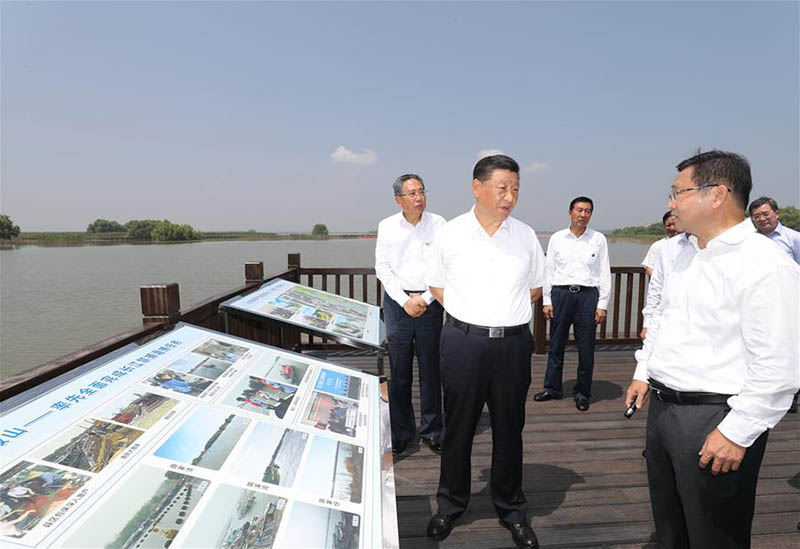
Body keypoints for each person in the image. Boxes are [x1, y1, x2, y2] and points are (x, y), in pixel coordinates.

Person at [625, 150, 800, 548]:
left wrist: (737, 434)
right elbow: (664, 322)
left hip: (715, 420)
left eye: (678, 192)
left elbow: (781, 365)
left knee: (714, 535)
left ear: (717, 194)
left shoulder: (765, 264)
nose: (671, 204)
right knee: (671, 531)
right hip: (664, 412)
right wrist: (642, 371)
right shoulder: (684, 254)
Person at [424, 154, 545, 548]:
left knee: (510, 429)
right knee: (458, 427)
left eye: (516, 189)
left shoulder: (525, 235)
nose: (510, 196)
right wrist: (474, 314)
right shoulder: (450, 233)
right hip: (464, 343)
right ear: (477, 188)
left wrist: (502, 312)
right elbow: (437, 287)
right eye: (502, 188)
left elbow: (536, 286)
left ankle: (511, 507)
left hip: (512, 344)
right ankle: (450, 504)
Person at [375, 174, 446, 455]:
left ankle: (433, 430)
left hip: (431, 301)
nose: (418, 198)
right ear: (398, 200)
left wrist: (425, 299)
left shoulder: (439, 224)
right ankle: (402, 431)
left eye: (421, 192)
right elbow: (383, 268)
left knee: (431, 369)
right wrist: (405, 300)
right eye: (412, 193)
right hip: (397, 303)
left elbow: (444, 265)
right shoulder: (387, 226)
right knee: (399, 370)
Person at [534, 197, 611, 411]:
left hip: (587, 297)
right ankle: (552, 388)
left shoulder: (598, 239)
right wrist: (547, 300)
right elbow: (549, 270)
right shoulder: (558, 238)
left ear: (591, 214)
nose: (583, 214)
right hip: (561, 295)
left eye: (587, 211)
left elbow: (604, 272)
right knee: (556, 344)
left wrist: (602, 304)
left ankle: (582, 392)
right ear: (570, 212)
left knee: (586, 348)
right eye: (579, 210)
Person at [748, 196, 800, 414]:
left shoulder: (794, 238)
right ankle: (761, 394)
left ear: (777, 214)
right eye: (756, 216)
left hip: (788, 304)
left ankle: (791, 396)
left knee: (789, 347)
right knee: (760, 346)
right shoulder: (749, 240)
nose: (762, 219)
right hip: (756, 304)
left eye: (765, 214)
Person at [640, 211, 686, 340]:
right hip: (662, 294)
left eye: (674, 224)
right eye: (668, 225)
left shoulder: (693, 243)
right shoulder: (660, 246)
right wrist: (665, 279)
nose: (672, 228)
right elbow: (648, 266)